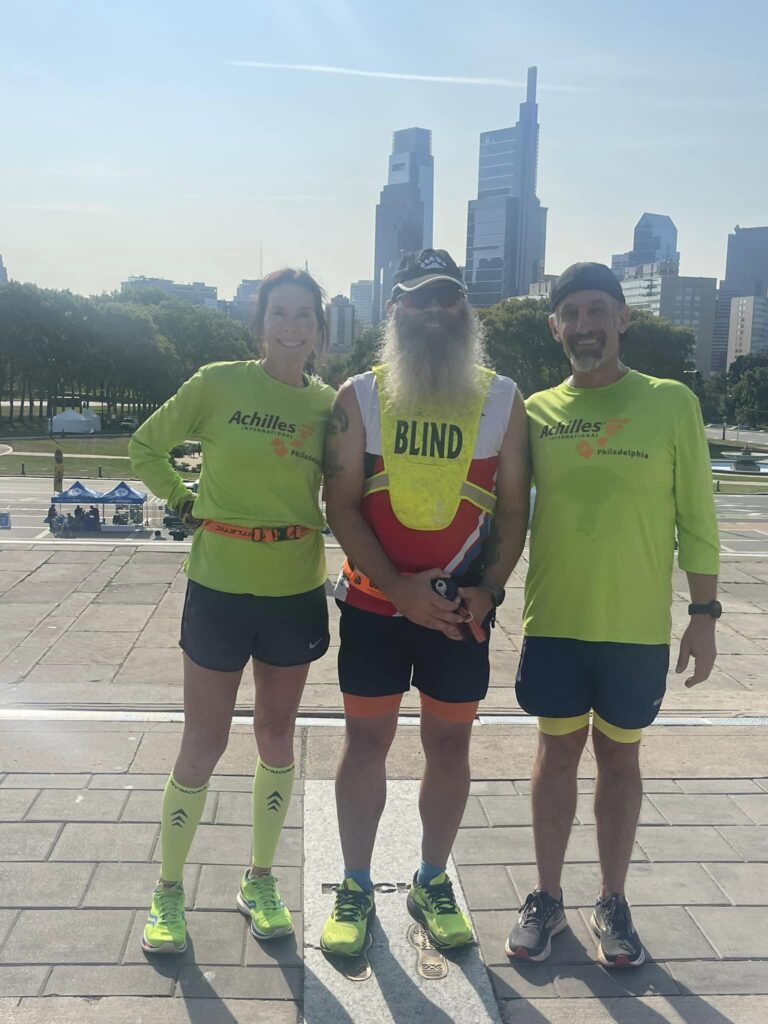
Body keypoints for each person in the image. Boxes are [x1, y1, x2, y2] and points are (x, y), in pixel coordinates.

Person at [506, 263, 720, 968]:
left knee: (620, 757)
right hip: (555, 620)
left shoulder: (670, 402)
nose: (585, 325)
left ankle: (612, 900)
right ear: (555, 327)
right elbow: (503, 514)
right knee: (556, 753)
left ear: (624, 319)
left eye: (599, 311)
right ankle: (544, 897)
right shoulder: (533, 413)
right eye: (572, 314)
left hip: (633, 628)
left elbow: (698, 514)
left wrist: (704, 612)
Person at [320, 249, 530, 957]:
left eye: (448, 300)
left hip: (460, 613)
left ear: (465, 309)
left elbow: (513, 508)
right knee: (367, 745)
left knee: (448, 746)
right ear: (393, 310)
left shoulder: (502, 399)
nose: (435, 312)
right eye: (418, 300)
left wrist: (489, 589)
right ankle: (354, 885)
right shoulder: (361, 396)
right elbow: (341, 506)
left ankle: (430, 879)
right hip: (377, 609)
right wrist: (398, 589)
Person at [129, 268, 335, 954]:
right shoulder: (217, 382)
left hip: (296, 587)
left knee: (276, 737)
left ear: (319, 329)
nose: (290, 326)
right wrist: (182, 500)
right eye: (279, 313)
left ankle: (260, 879)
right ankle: (167, 890)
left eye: (304, 315)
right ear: (260, 322)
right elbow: (146, 445)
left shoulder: (331, 406)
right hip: (219, 584)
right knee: (204, 743)